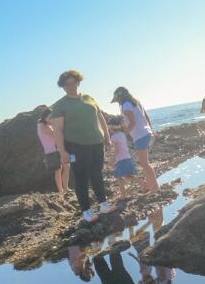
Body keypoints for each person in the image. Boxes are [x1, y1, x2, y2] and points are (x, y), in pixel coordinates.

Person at [50, 70, 116, 223]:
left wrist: (107, 138)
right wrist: (62, 152)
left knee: (97, 174)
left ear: (78, 82)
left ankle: (103, 204)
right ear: (63, 86)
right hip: (76, 146)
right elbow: (58, 131)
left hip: (97, 143)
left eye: (73, 83)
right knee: (81, 178)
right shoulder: (60, 105)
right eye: (67, 84)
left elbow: (101, 119)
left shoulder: (89, 98)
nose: (71, 86)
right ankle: (86, 211)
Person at [112, 87, 158, 193]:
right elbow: (146, 118)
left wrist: (123, 135)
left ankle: (155, 187)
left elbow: (132, 122)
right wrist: (151, 131)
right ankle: (148, 185)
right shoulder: (135, 103)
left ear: (119, 97)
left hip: (140, 136)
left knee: (145, 163)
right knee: (143, 162)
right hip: (147, 133)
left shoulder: (125, 105)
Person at [36, 107, 69, 193]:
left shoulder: (44, 124)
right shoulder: (44, 126)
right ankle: (61, 190)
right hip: (52, 152)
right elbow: (56, 134)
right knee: (58, 170)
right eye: (49, 118)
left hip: (57, 150)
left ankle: (65, 188)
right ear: (44, 118)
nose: (51, 119)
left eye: (52, 117)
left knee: (67, 166)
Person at [108, 119, 138, 200]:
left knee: (119, 177)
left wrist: (112, 160)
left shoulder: (113, 137)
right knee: (127, 176)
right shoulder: (122, 134)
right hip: (127, 157)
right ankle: (142, 182)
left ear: (110, 128)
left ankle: (123, 194)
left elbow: (117, 149)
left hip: (121, 160)